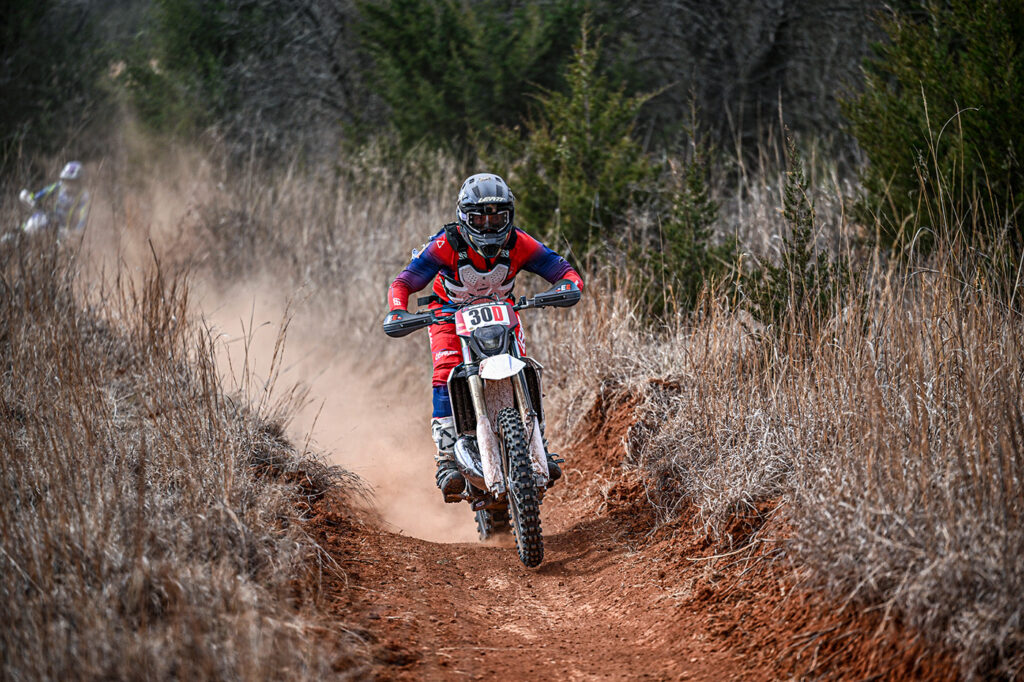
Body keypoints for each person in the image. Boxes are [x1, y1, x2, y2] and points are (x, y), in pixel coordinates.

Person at [384, 173, 584, 500]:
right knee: (446, 372)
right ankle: (447, 457)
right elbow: (404, 282)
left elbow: (564, 271)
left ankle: (538, 443)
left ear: (510, 217)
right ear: (464, 217)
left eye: (497, 218)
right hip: (448, 315)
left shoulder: (520, 243)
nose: (489, 227)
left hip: (503, 312)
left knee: (524, 367)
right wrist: (397, 310)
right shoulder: (445, 245)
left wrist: (566, 287)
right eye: (479, 218)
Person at [18, 161, 91, 236]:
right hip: (52, 221)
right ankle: (22, 234)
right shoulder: (59, 186)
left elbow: (84, 219)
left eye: (72, 181)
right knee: (38, 217)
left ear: (80, 181)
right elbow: (41, 194)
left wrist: (75, 232)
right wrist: (30, 198)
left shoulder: (84, 196)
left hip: (66, 231)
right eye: (66, 180)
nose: (68, 184)